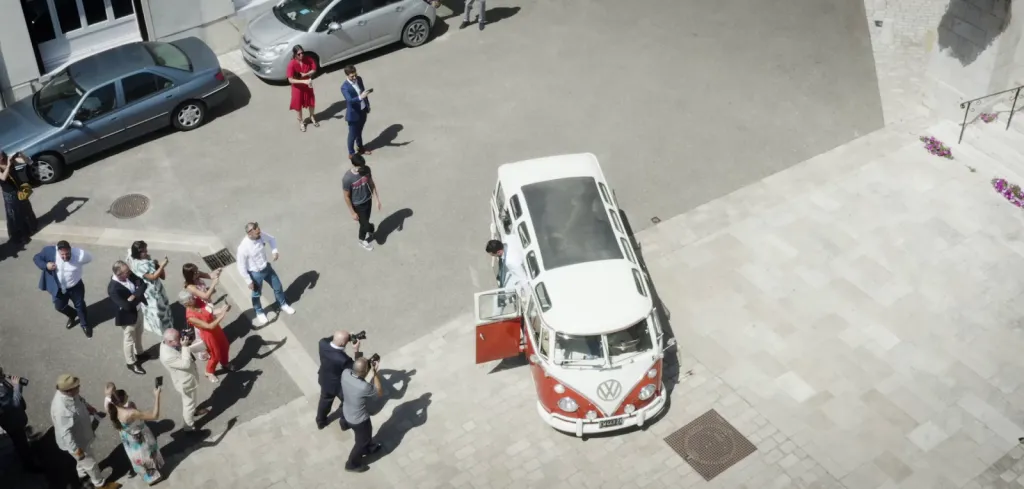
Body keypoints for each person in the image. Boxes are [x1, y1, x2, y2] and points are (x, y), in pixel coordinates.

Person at [50, 374, 114, 488]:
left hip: (82, 434)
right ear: (68, 391)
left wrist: (88, 407)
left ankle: (82, 473)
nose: (79, 387)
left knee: (83, 462)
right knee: (91, 463)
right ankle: (100, 484)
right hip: (77, 443)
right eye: (77, 387)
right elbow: (66, 434)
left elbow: (80, 400)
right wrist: (77, 451)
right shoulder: (61, 409)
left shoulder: (70, 394)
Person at [236, 222, 294, 326]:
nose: (260, 232)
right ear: (250, 233)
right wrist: (248, 281)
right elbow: (241, 266)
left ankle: (283, 304)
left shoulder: (260, 234)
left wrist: (274, 251)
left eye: (259, 229)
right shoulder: (243, 248)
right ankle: (259, 311)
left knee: (278, 286)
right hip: (255, 274)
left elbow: (272, 239)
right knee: (256, 294)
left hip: (266, 268)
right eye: (256, 231)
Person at [106, 386, 165, 485]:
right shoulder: (131, 413)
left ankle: (148, 478)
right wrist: (157, 396)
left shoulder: (113, 409)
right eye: (126, 396)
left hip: (129, 440)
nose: (128, 396)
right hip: (140, 439)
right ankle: (154, 478)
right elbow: (155, 415)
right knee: (147, 457)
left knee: (139, 460)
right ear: (120, 401)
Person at [33, 240, 93, 336]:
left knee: (80, 306)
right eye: (62, 255)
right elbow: (36, 258)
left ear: (71, 250)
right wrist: (46, 265)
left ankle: (84, 324)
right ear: (57, 251)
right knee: (59, 306)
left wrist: (80, 254)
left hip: (75, 286)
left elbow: (90, 257)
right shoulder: (49, 251)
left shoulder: (79, 255)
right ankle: (72, 314)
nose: (65, 257)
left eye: (67, 254)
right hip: (58, 288)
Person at [159, 329, 210, 435]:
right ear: (170, 342)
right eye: (178, 339)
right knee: (188, 405)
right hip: (185, 383)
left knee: (191, 401)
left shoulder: (168, 343)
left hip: (186, 379)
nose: (181, 340)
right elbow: (185, 364)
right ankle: (189, 426)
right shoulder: (167, 356)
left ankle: (194, 412)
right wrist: (185, 346)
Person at [179, 290, 235, 383]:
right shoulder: (191, 316)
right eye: (191, 298)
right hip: (208, 334)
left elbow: (211, 312)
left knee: (225, 346)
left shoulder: (197, 301)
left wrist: (221, 309)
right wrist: (223, 314)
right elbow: (209, 326)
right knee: (215, 355)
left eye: (192, 296)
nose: (194, 298)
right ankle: (209, 371)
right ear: (186, 303)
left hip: (216, 329)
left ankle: (225, 363)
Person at [108, 260, 150, 375]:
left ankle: (139, 353)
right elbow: (126, 306)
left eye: (128, 270)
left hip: (138, 310)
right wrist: (138, 294)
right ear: (119, 274)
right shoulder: (113, 289)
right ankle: (130, 362)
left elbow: (143, 284)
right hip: (128, 317)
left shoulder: (129, 274)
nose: (129, 273)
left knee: (139, 332)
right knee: (129, 340)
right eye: (126, 272)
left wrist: (134, 295)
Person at [342, 357, 383, 473]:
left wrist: (357, 353)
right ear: (366, 372)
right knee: (361, 442)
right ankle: (351, 464)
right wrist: (375, 372)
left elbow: (356, 368)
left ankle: (368, 447)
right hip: (359, 420)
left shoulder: (345, 373)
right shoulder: (364, 387)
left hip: (346, 411)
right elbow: (379, 391)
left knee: (365, 437)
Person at [315, 331, 361, 430]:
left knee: (325, 400)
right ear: (342, 344)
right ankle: (344, 424)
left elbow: (333, 338)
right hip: (338, 386)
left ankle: (320, 421)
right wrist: (356, 350)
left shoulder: (322, 343)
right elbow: (358, 369)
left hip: (325, 380)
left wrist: (346, 337)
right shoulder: (343, 359)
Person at [127, 241, 174, 336]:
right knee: (156, 309)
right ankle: (163, 329)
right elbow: (152, 277)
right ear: (138, 253)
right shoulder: (140, 265)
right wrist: (161, 266)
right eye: (143, 251)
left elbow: (159, 275)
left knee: (161, 306)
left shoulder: (144, 259)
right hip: (151, 292)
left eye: (146, 249)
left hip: (156, 289)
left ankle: (166, 325)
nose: (146, 252)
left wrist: (158, 266)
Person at [0, 366, 41, 472]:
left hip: (16, 418)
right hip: (12, 422)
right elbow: (14, 404)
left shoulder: (2, 381)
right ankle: (30, 466)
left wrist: (18, 387)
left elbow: (14, 394)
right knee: (21, 444)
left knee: (21, 439)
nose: (3, 375)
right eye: (1, 374)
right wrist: (17, 386)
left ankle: (24, 451)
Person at [343, 154, 383, 251]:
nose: (362, 168)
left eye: (363, 165)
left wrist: (377, 200)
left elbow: (371, 184)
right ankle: (362, 240)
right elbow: (346, 197)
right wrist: (352, 212)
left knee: (365, 221)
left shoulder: (366, 170)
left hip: (368, 200)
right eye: (360, 166)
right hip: (357, 204)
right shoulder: (348, 178)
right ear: (354, 165)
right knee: (365, 224)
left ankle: (368, 228)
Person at [0, 151, 38, 244]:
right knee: (15, 215)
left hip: (19, 190)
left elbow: (29, 162)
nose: (1, 158)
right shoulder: (7, 163)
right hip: (9, 194)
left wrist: (22, 155)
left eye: (0, 155)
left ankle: (31, 228)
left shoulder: (10, 159)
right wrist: (8, 165)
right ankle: (20, 235)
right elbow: (3, 178)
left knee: (26, 209)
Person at [341, 65, 372, 158]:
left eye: (355, 75)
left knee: (359, 131)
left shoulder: (359, 79)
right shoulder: (344, 87)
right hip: (353, 114)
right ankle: (351, 153)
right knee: (352, 135)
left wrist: (367, 104)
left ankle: (360, 147)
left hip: (363, 110)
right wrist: (360, 97)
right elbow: (350, 100)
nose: (354, 78)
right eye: (352, 76)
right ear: (347, 75)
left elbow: (363, 92)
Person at [287, 45, 318, 132]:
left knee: (311, 101)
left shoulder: (308, 59)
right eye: (299, 54)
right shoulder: (291, 64)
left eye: (302, 53)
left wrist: (306, 74)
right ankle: (301, 122)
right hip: (297, 88)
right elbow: (290, 80)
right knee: (298, 105)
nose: (301, 55)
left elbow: (314, 69)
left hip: (308, 84)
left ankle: (312, 116)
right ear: (295, 54)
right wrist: (303, 81)